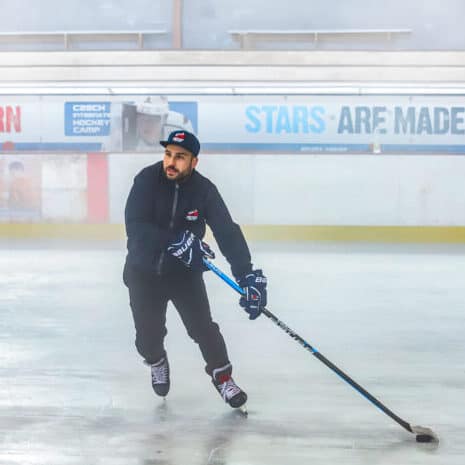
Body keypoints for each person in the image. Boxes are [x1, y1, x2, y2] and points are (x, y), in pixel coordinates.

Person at [123, 130, 267, 410]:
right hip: (143, 273)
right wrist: (174, 240)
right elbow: (135, 226)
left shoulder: (204, 191)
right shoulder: (146, 180)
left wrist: (246, 274)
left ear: (194, 162)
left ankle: (223, 378)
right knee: (147, 337)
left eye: (180, 157)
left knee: (204, 329)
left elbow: (227, 231)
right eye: (168, 155)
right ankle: (156, 360)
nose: (171, 162)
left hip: (184, 275)